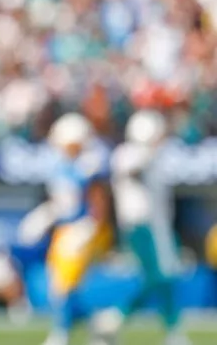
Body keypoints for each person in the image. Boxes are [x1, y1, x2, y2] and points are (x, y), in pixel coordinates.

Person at [95, 111, 191, 345]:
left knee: (166, 278)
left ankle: (172, 332)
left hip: (158, 226)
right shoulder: (128, 154)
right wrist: (150, 149)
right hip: (141, 226)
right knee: (158, 277)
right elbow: (132, 169)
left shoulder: (158, 156)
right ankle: (115, 317)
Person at [17, 113, 114, 345]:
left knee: (64, 284)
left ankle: (61, 333)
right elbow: (61, 202)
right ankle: (99, 328)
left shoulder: (89, 164)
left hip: (84, 229)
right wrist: (44, 217)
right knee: (60, 286)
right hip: (64, 230)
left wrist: (91, 225)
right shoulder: (59, 165)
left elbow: (99, 200)